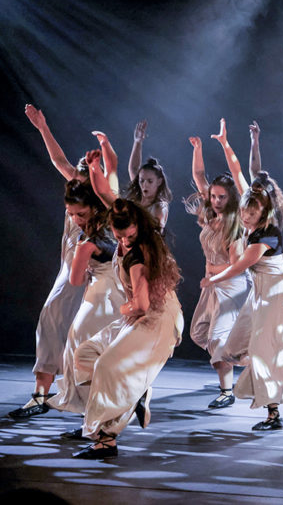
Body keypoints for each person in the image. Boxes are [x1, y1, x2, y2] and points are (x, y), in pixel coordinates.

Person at [8, 105, 113, 419]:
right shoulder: (76, 192)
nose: (78, 179)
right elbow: (59, 160)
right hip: (70, 271)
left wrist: (105, 150)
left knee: (88, 334)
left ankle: (97, 404)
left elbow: (111, 172)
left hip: (95, 274)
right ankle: (42, 396)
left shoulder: (105, 201)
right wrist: (42, 127)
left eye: (86, 176)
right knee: (51, 322)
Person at [70, 195, 184, 458]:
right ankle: (135, 393)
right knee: (86, 354)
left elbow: (141, 305)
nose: (124, 240)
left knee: (106, 365)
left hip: (157, 318)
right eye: (119, 236)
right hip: (141, 314)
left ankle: (106, 440)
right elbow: (106, 195)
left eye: (129, 236)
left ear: (138, 227)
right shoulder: (124, 230)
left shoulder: (138, 256)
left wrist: (123, 309)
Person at [207, 118, 283, 429]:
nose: (245, 217)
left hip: (275, 297)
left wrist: (213, 279)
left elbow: (240, 265)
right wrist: (232, 143)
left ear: (265, 209)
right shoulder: (254, 208)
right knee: (236, 345)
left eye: (250, 213)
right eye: (244, 212)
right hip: (260, 293)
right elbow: (242, 171)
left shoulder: (267, 235)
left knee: (262, 350)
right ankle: (279, 350)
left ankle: (273, 414)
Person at [47, 170, 124, 418]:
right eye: (70, 214)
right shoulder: (113, 225)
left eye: (80, 214)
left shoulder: (87, 241)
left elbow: (75, 280)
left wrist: (82, 259)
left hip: (101, 295)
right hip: (119, 293)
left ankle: (94, 410)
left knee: (80, 346)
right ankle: (103, 409)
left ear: (93, 208)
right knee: (105, 349)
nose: (75, 219)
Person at [185, 135, 249, 408]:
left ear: (231, 198)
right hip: (212, 284)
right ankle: (255, 355)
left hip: (232, 286)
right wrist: (198, 149)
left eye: (222, 197)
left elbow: (237, 265)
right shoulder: (211, 214)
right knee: (199, 334)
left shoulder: (236, 224)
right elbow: (199, 177)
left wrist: (212, 270)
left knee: (217, 338)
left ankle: (226, 391)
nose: (216, 200)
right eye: (213, 196)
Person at [124, 120, 172, 229]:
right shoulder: (138, 196)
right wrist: (137, 142)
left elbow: (154, 232)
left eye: (150, 181)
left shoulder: (159, 207)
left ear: (159, 181)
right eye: (141, 181)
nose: (144, 185)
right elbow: (133, 168)